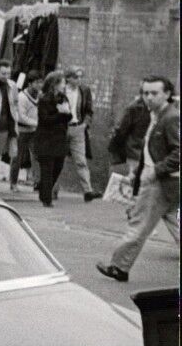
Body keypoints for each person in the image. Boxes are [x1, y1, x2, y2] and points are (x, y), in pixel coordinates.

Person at [98, 76, 180, 282]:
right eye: (145, 93)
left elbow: (179, 151)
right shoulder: (156, 115)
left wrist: (155, 171)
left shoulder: (170, 118)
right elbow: (150, 148)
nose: (148, 98)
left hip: (161, 182)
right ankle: (120, 266)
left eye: (154, 93)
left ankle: (119, 266)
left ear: (167, 94)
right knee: (170, 219)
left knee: (138, 224)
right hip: (164, 180)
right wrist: (139, 171)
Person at [33, 70, 74, 208]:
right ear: (54, 84)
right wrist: (60, 114)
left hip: (60, 139)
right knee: (48, 169)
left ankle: (43, 188)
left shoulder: (63, 98)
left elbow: (69, 117)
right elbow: (44, 119)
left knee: (58, 167)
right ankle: (47, 199)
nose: (64, 85)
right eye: (62, 82)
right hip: (46, 139)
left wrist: (66, 114)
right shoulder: (44, 100)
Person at [62, 65, 98, 202]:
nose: (78, 80)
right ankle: (52, 189)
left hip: (78, 128)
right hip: (62, 128)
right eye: (75, 77)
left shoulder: (84, 90)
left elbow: (89, 110)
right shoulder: (61, 89)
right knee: (59, 159)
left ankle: (88, 190)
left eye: (80, 77)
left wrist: (85, 125)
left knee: (81, 160)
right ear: (68, 78)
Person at [9, 72, 40, 193]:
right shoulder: (22, 97)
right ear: (30, 83)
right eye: (36, 83)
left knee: (36, 157)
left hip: (33, 131)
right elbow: (21, 117)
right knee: (17, 157)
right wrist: (37, 123)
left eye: (40, 82)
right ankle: (13, 183)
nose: (39, 85)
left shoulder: (39, 96)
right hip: (21, 131)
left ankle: (37, 183)